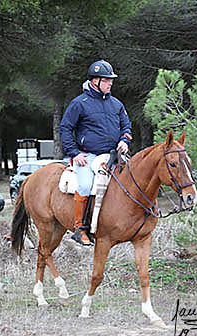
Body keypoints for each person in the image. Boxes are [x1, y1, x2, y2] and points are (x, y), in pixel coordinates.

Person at [60, 59, 132, 246]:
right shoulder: (79, 103)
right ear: (95, 82)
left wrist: (124, 140)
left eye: (111, 80)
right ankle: (80, 229)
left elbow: (126, 127)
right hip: (87, 156)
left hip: (113, 155)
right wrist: (74, 153)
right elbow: (66, 128)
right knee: (85, 186)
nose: (110, 83)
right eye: (107, 80)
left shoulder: (117, 104)